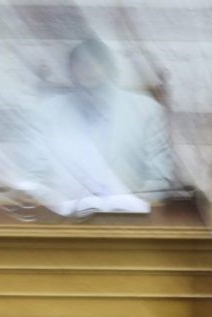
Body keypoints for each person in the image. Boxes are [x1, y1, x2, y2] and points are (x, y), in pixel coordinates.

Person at [25, 38, 177, 215]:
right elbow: (35, 175)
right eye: (80, 64)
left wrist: (129, 207)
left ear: (111, 69)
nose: (88, 69)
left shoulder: (147, 110)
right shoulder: (48, 112)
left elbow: (159, 178)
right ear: (70, 71)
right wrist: (58, 205)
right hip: (65, 220)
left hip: (129, 220)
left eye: (96, 62)